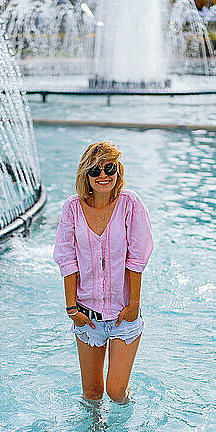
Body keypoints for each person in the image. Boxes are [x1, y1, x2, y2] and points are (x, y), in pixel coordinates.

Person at [53, 141, 153, 407]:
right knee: (92, 393)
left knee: (116, 392)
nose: (103, 175)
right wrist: (71, 308)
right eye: (95, 170)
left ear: (118, 170)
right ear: (85, 175)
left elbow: (137, 257)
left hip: (124, 315)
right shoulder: (72, 208)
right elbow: (67, 260)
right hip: (88, 317)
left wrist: (134, 305)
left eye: (109, 168)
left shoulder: (130, 203)